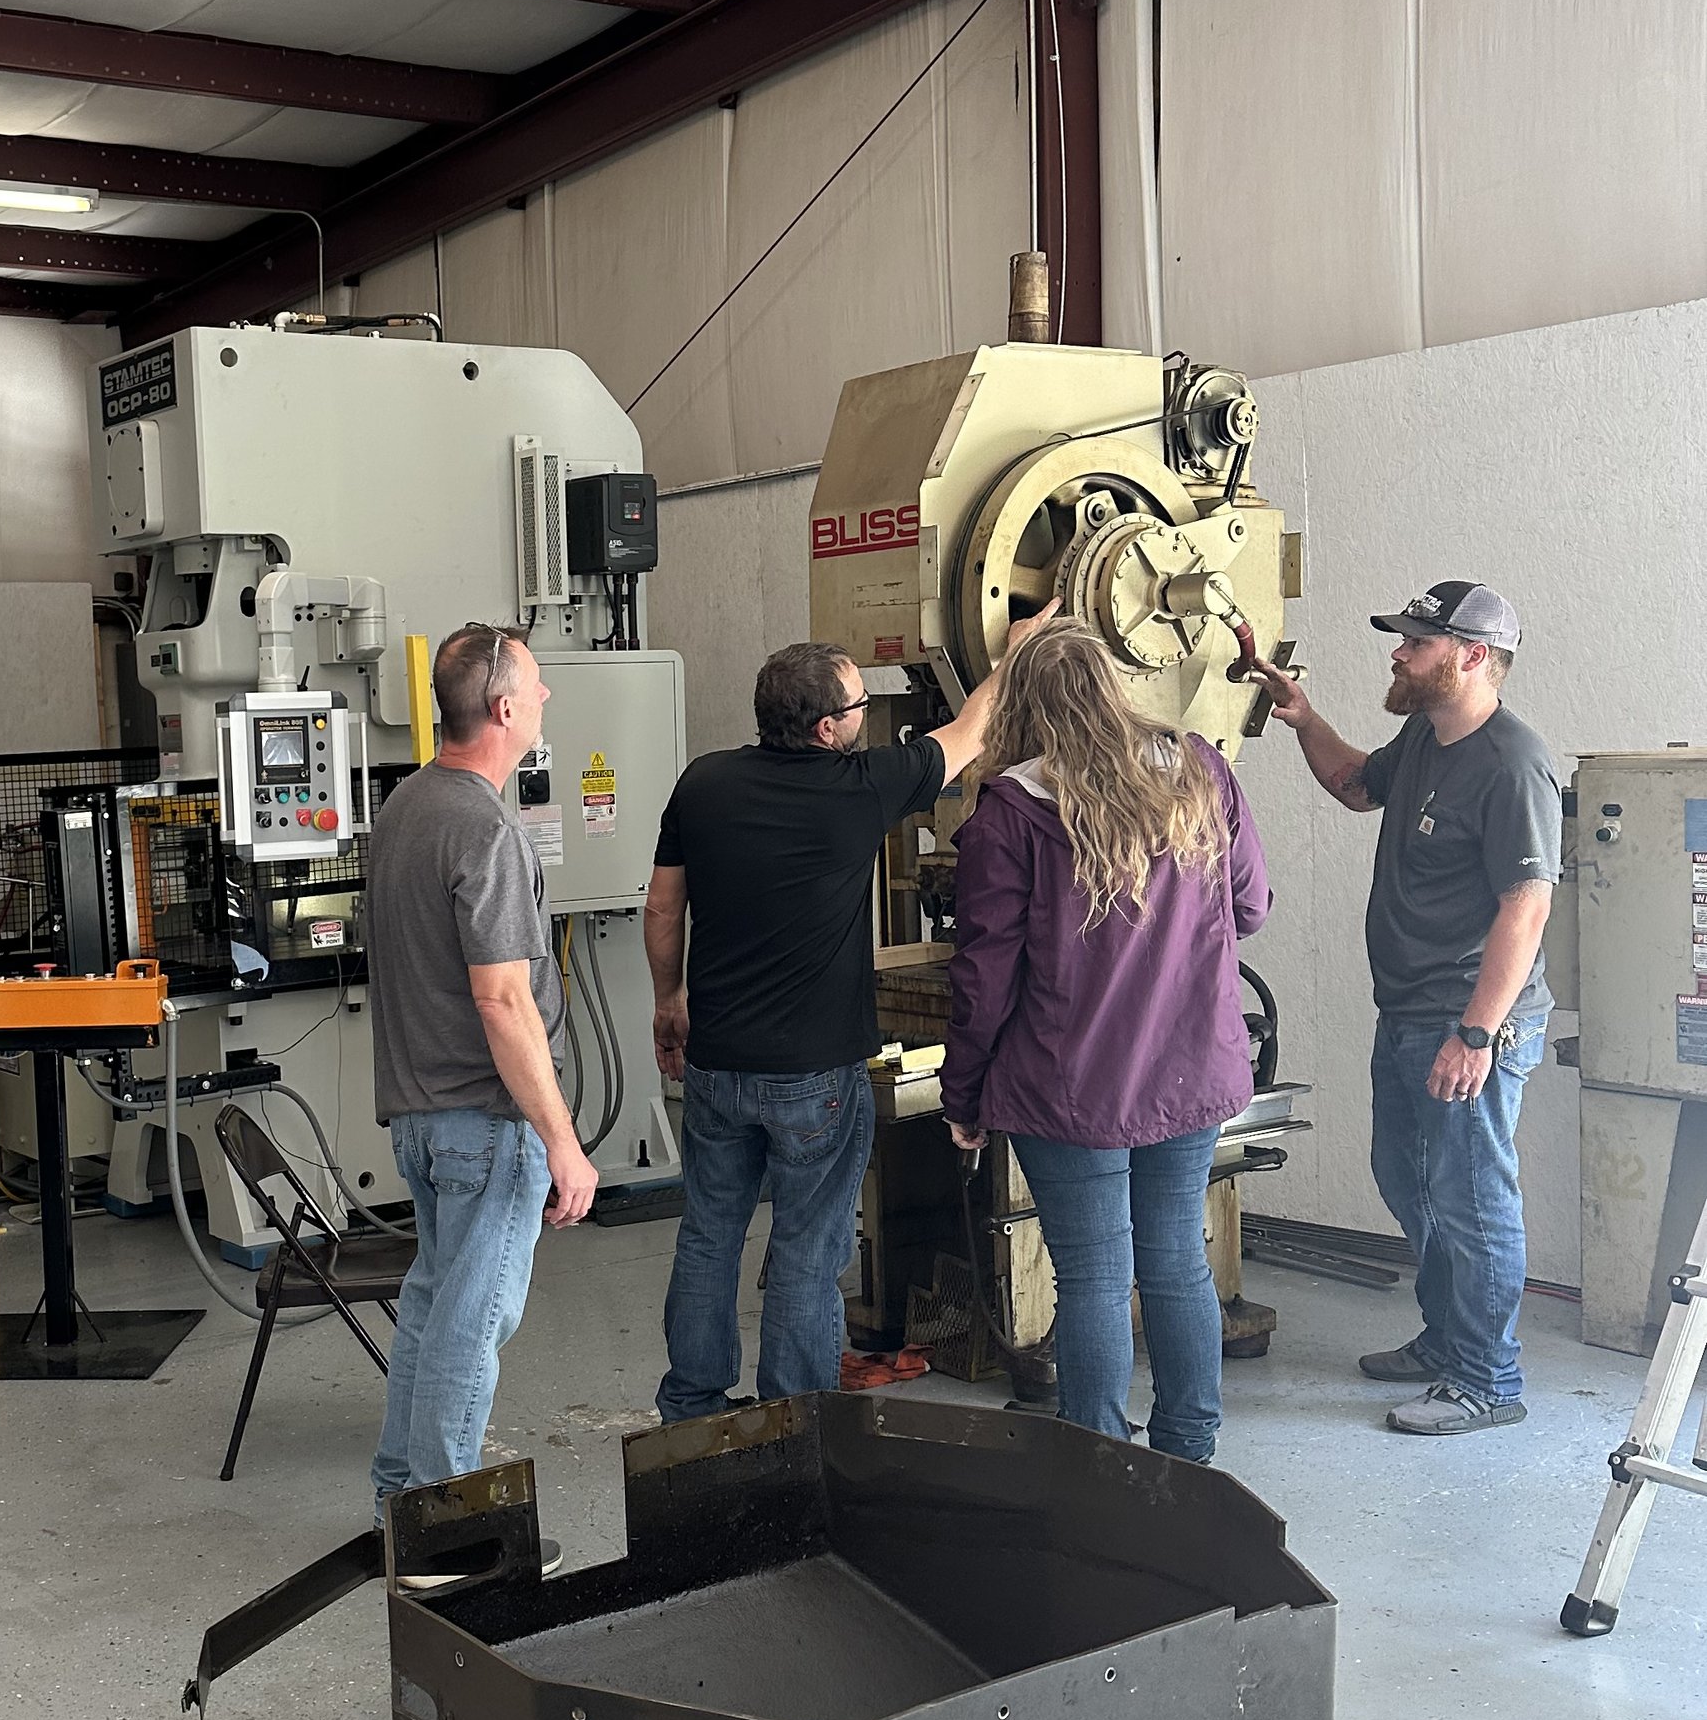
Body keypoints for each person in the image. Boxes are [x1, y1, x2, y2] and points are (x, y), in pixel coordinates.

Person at [642, 633, 1022, 1424]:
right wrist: (1019, 648)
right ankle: (799, 1418)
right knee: (809, 1253)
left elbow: (661, 906)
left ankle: (692, 1405)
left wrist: (668, 999)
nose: (867, 719)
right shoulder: (860, 789)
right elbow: (972, 732)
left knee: (709, 1235)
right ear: (825, 728)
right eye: (858, 706)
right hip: (815, 1078)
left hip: (716, 1065)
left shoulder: (702, 783)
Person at [941, 620, 1270, 1465]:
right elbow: (1250, 907)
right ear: (1117, 684)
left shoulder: (1010, 812)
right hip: (1190, 1071)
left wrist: (964, 1097)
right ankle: (1190, 1452)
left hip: (1067, 1086)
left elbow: (985, 976)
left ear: (1021, 706)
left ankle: (1097, 1464)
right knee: (1175, 1261)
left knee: (1090, 1275)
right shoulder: (1201, 772)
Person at [1247, 581, 1558, 1437]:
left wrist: (1476, 1032)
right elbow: (1354, 786)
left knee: (1471, 1196)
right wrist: (1304, 717)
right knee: (1406, 1177)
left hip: (1470, 1019)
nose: (1398, 652)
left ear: (1472, 657)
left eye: (1416, 643)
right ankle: (1448, 1337)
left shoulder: (1511, 762)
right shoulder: (1426, 735)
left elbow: (1524, 909)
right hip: (1410, 1010)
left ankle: (1489, 1379)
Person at [364, 620, 597, 1515]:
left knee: (431, 1307)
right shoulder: (484, 829)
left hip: (420, 1121)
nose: (545, 698)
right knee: (471, 1322)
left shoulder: (406, 807)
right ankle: (448, 1534)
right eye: (536, 686)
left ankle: (401, 1502)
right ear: (503, 708)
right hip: (485, 1125)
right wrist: (562, 1140)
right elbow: (503, 1001)